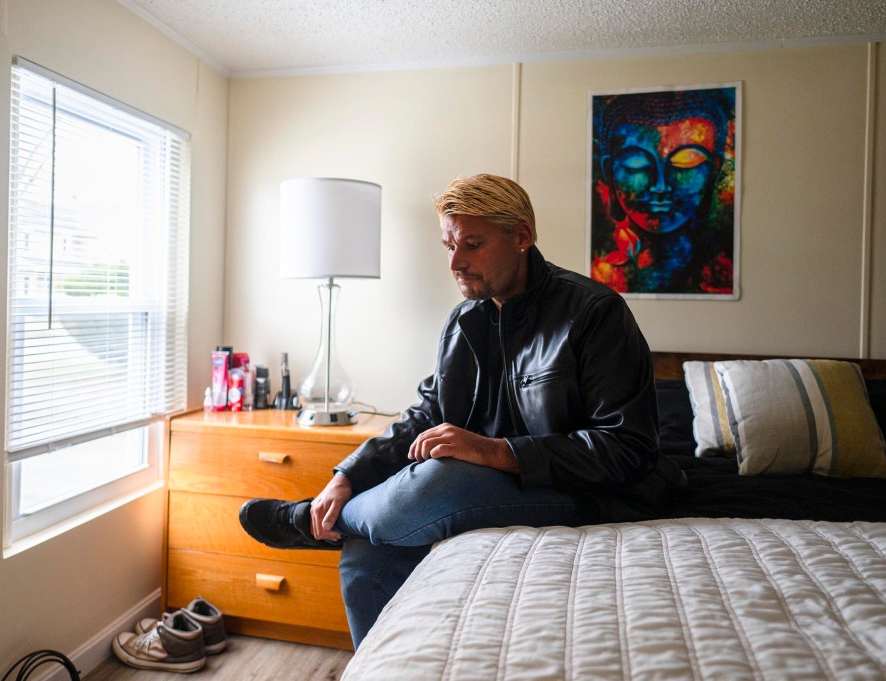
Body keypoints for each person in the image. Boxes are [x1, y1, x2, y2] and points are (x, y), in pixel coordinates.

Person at [241, 173, 686, 647]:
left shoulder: (594, 312)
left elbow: (627, 448)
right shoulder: (464, 321)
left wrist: (496, 452)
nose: (455, 261)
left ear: (521, 237)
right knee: (363, 554)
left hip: (597, 493)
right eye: (448, 244)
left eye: (472, 244)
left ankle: (312, 522)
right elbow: (427, 415)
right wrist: (347, 476)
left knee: (438, 481)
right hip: (505, 483)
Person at [591, 89, 735, 294]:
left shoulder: (719, 270)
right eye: (636, 163)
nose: (660, 186)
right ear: (609, 172)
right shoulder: (601, 277)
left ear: (714, 171)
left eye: (686, 163)